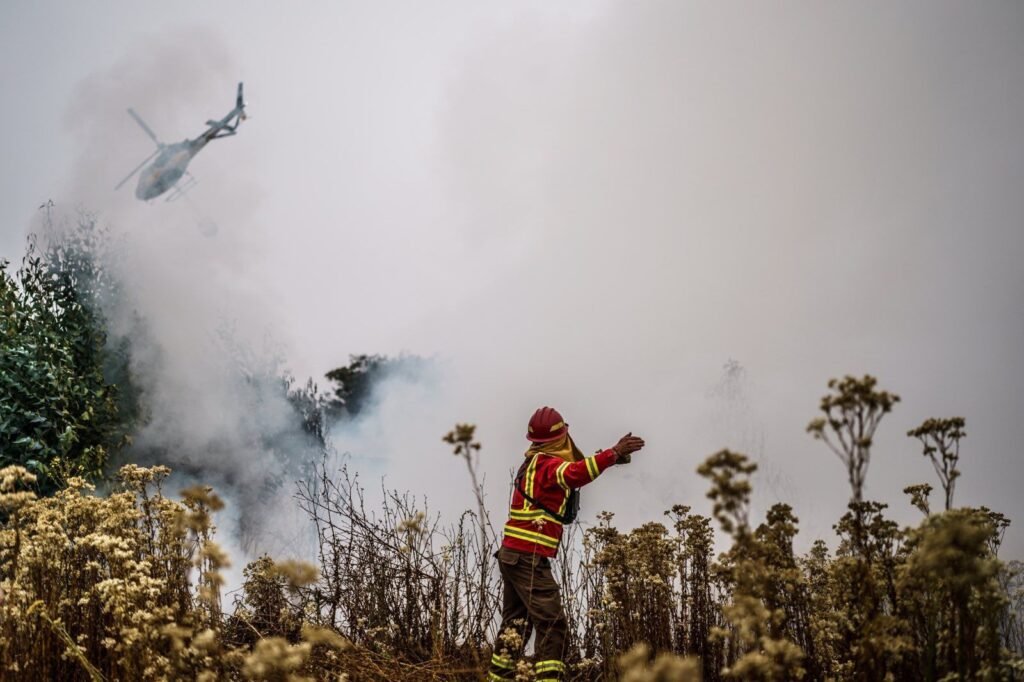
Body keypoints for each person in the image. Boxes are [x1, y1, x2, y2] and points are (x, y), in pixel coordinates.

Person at [487, 406, 645, 682]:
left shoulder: (534, 462)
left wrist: (611, 458)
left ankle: (497, 677)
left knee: (516, 625)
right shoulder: (547, 464)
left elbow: (573, 469)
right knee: (552, 624)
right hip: (527, 557)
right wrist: (613, 453)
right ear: (561, 437)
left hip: (513, 555)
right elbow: (574, 474)